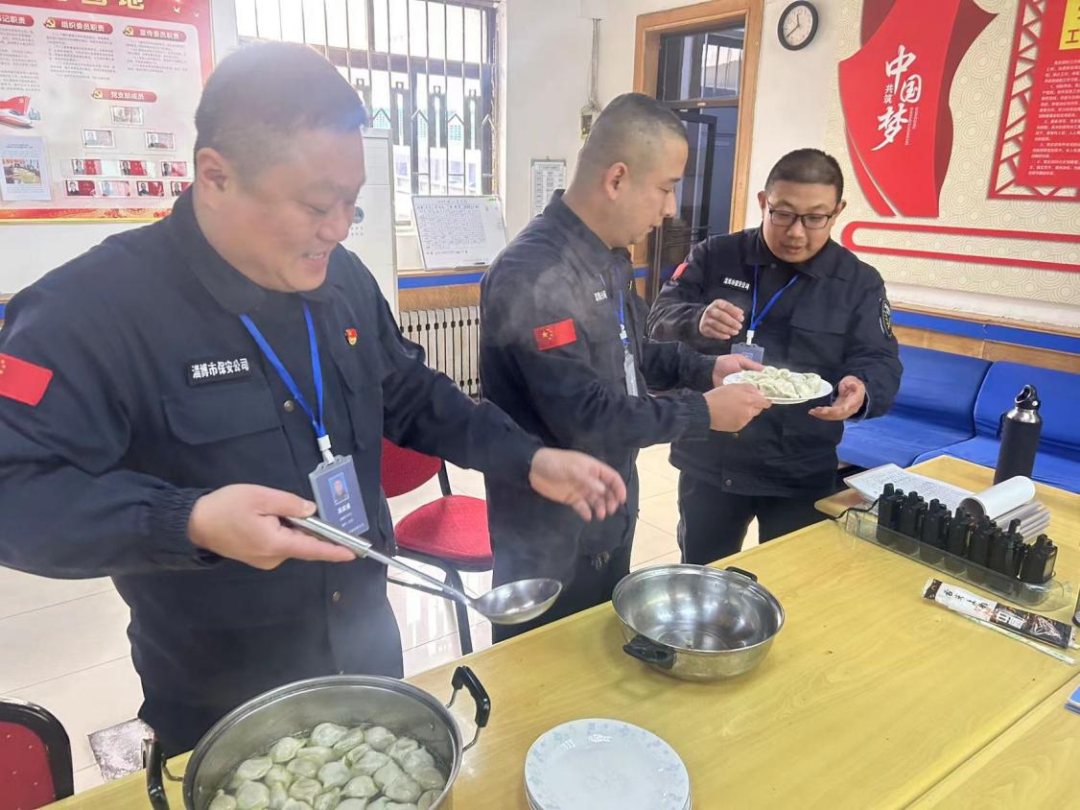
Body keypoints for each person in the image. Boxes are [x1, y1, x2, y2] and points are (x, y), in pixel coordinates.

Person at [0, 42, 627, 756]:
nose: (338, 227)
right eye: (316, 205)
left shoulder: (342, 279)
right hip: (222, 696)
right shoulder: (89, 312)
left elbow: (409, 392)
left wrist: (527, 457)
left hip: (367, 653)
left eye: (352, 204)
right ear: (216, 176)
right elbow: (16, 492)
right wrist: (190, 521)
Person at [480, 94, 771, 642]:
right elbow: (584, 414)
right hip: (548, 529)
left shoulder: (609, 258)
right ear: (616, 179)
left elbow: (634, 353)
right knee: (544, 672)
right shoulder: (534, 273)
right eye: (665, 187)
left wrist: (707, 369)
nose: (671, 209)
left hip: (610, 504)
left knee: (602, 653)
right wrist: (703, 413)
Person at [647, 148, 902, 564]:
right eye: (783, 214)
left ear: (837, 212)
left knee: (791, 579)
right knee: (702, 571)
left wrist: (863, 388)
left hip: (799, 466)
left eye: (815, 218)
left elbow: (880, 359)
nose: (796, 232)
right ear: (764, 202)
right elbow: (657, 319)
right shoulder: (715, 255)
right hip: (712, 457)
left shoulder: (858, 282)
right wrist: (695, 319)